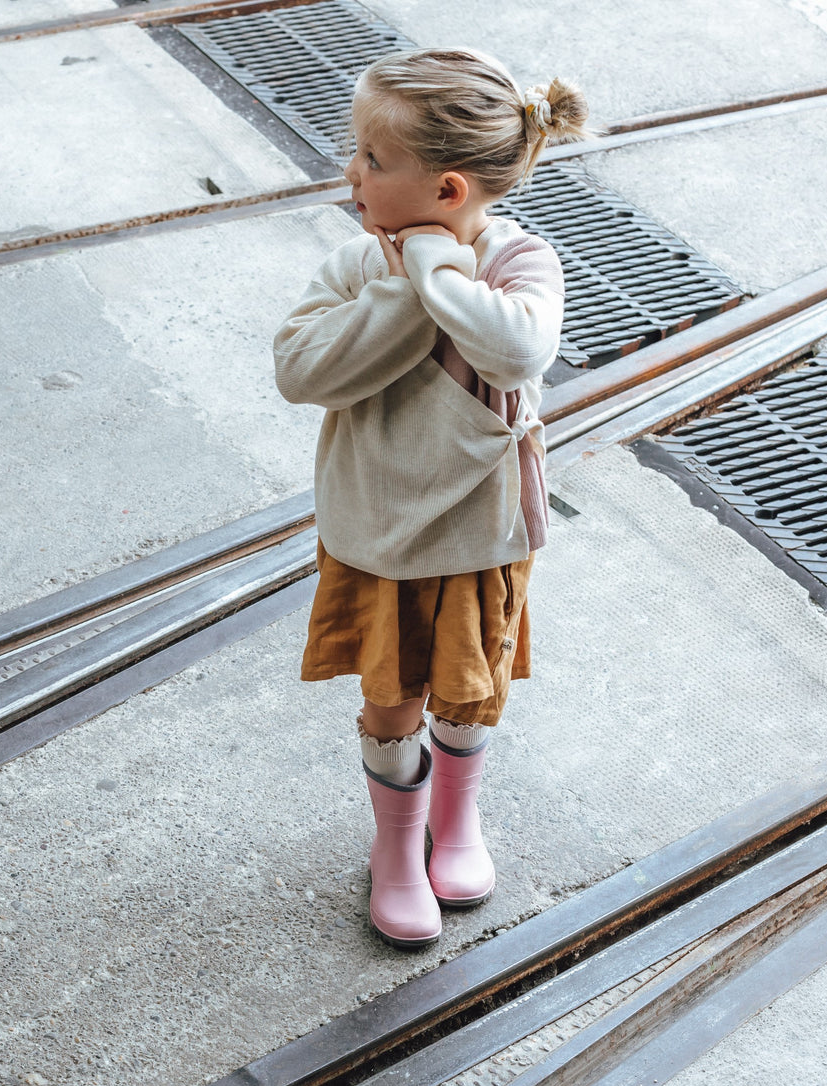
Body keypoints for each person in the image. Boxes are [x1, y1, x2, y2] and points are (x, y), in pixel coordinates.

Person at [274, 48, 588, 948]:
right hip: (377, 528)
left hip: (482, 531)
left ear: (448, 189)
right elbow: (301, 371)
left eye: (372, 157)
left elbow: (516, 352)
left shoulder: (523, 262)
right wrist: (414, 277)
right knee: (390, 697)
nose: (351, 170)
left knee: (466, 690)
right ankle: (397, 844)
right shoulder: (354, 263)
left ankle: (456, 823)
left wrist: (435, 268)